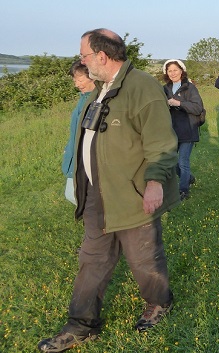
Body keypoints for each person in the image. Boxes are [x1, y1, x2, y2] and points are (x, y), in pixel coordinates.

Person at [38, 29, 180, 352]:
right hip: (96, 195)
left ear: (102, 57)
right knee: (92, 259)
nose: (82, 62)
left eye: (85, 56)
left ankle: (159, 303)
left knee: (144, 255)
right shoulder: (99, 91)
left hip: (131, 195)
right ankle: (81, 324)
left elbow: (161, 141)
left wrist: (155, 181)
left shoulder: (142, 87)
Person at [163, 59, 204, 200]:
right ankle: (189, 178)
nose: (173, 73)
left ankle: (183, 191)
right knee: (172, 162)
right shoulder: (165, 89)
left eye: (175, 70)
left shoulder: (189, 87)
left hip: (188, 129)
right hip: (171, 131)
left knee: (183, 162)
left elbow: (198, 108)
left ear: (181, 70)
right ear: (166, 73)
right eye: (170, 71)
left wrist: (178, 103)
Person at [62, 60, 96, 205]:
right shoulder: (83, 98)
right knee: (73, 194)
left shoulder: (96, 100)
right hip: (76, 152)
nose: (77, 84)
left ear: (92, 77)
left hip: (86, 155)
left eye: (80, 79)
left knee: (74, 194)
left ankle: (101, 221)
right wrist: (69, 148)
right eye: (75, 80)